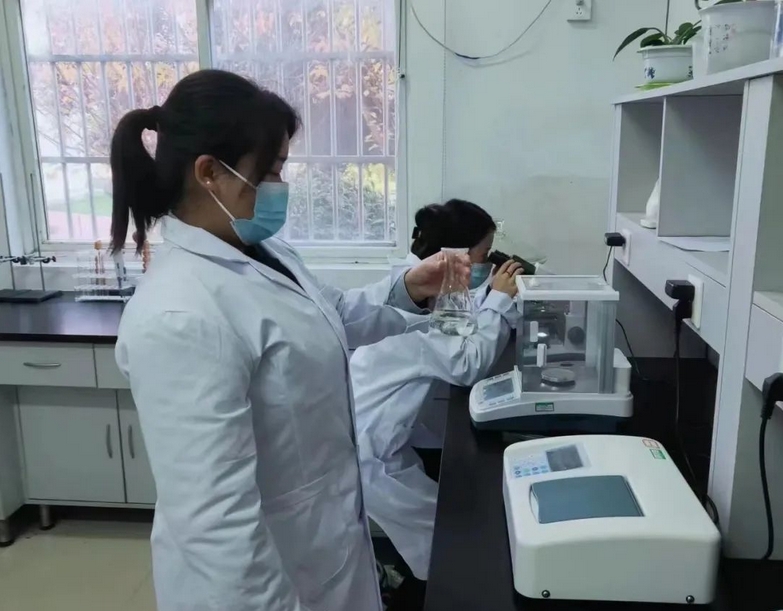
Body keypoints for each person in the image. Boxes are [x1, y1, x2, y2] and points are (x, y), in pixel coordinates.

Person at [110, 69, 465, 611]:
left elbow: (330, 315)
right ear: (210, 173)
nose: (280, 186)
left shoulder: (263, 254)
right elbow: (214, 524)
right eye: (271, 170)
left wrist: (410, 288)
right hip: (264, 584)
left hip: (323, 550)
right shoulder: (181, 315)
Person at [351, 200, 523, 587]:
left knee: (441, 534)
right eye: (484, 255)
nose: (487, 263)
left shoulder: (419, 285)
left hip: (379, 438)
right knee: (445, 542)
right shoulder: (414, 314)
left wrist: (494, 295)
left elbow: (460, 320)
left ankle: (401, 582)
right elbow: (465, 363)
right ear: (457, 255)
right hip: (370, 455)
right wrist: (499, 300)